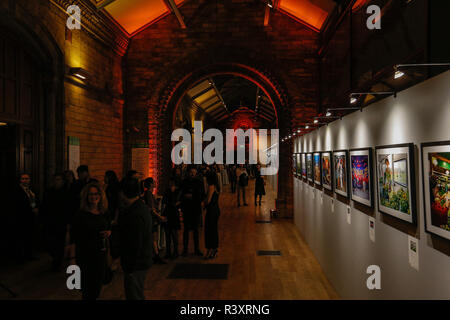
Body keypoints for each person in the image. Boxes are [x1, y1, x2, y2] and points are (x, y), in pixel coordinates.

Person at [71, 182, 111, 300]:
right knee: (87, 291)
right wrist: (72, 260)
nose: (94, 197)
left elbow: (108, 228)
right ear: (86, 197)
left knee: (97, 288)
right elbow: (74, 237)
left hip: (100, 255)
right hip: (85, 256)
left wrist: (109, 232)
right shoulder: (81, 214)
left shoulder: (104, 212)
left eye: (96, 194)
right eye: (90, 194)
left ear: (101, 195)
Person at [118, 177, 153, 300]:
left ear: (123, 193)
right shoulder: (139, 208)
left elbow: (134, 243)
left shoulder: (135, 214)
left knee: (134, 295)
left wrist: (129, 267)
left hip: (136, 264)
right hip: (140, 261)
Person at [41, 173, 69, 271]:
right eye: (55, 180)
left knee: (59, 241)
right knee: (50, 241)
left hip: (61, 221)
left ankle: (57, 259)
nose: (56, 182)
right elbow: (44, 205)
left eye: (59, 180)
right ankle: (54, 256)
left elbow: (68, 208)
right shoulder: (49, 192)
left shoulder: (66, 193)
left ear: (63, 181)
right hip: (50, 221)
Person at [12, 173, 39, 262]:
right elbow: (18, 204)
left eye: (27, 179)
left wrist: (36, 208)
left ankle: (29, 254)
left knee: (29, 237)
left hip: (30, 217)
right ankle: (20, 257)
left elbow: (34, 200)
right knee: (21, 237)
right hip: (21, 218)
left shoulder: (31, 190)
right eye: (23, 179)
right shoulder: (17, 191)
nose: (25, 180)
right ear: (20, 180)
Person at [180, 166, 205, 256]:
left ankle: (196, 249)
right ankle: (185, 249)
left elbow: (202, 195)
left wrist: (192, 196)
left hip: (195, 208)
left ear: (196, 173)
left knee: (196, 230)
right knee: (186, 230)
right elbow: (181, 194)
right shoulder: (184, 182)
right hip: (187, 208)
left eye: (194, 173)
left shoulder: (199, 183)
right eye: (191, 172)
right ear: (188, 173)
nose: (192, 174)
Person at [143, 177, 167, 264]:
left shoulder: (149, 194)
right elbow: (151, 209)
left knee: (154, 238)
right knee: (153, 238)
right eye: (154, 182)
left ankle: (155, 255)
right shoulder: (149, 194)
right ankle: (155, 255)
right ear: (150, 184)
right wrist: (160, 217)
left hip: (153, 219)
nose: (155, 183)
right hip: (152, 220)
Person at [161, 178, 181, 259]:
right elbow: (165, 202)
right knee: (168, 234)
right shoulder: (168, 192)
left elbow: (177, 202)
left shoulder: (177, 192)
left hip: (173, 213)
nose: (171, 185)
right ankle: (169, 252)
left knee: (173, 233)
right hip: (169, 213)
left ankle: (175, 251)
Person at [204, 172, 220, 259]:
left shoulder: (211, 187)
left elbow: (208, 200)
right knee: (213, 230)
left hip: (211, 210)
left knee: (209, 230)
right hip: (216, 209)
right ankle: (214, 249)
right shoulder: (217, 186)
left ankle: (211, 249)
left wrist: (203, 203)